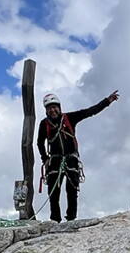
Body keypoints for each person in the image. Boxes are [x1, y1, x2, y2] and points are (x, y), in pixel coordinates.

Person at [37, 89, 119, 222]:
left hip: (71, 159)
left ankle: (71, 218)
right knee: (53, 192)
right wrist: (45, 159)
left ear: (59, 107)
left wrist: (107, 101)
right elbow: (40, 143)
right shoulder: (44, 124)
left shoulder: (70, 118)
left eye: (54, 107)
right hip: (55, 160)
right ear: (46, 110)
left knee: (72, 190)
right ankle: (55, 219)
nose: (52, 110)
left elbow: (90, 111)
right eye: (50, 108)